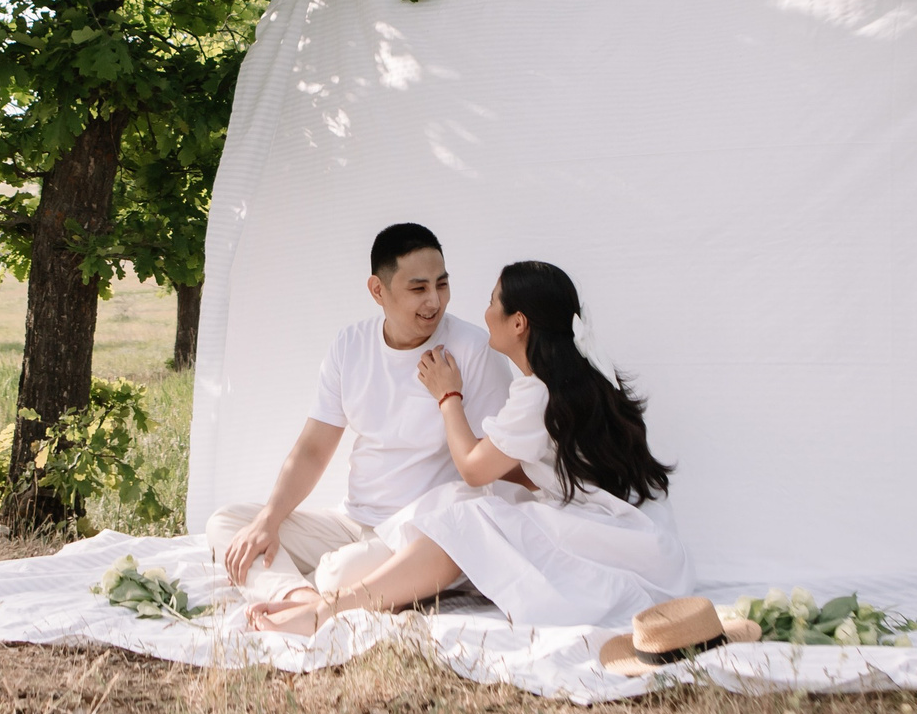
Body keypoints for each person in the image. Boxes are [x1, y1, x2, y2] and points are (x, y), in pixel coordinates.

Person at [247, 259, 696, 633]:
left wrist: (448, 395)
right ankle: (332, 597)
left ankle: (327, 610)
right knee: (461, 506)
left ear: (518, 323)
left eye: (492, 302)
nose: (484, 313)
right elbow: (531, 470)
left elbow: (474, 469)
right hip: (631, 532)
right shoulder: (570, 375)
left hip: (609, 539)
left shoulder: (538, 392)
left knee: (465, 515)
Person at [208, 223, 514, 603]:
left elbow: (494, 466)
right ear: (377, 290)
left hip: (423, 531)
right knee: (228, 523)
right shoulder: (350, 345)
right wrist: (268, 520)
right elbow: (313, 449)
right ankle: (297, 598)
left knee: (336, 574)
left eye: (442, 284)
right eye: (418, 289)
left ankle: (316, 591)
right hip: (353, 521)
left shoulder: (473, 349)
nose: (434, 301)